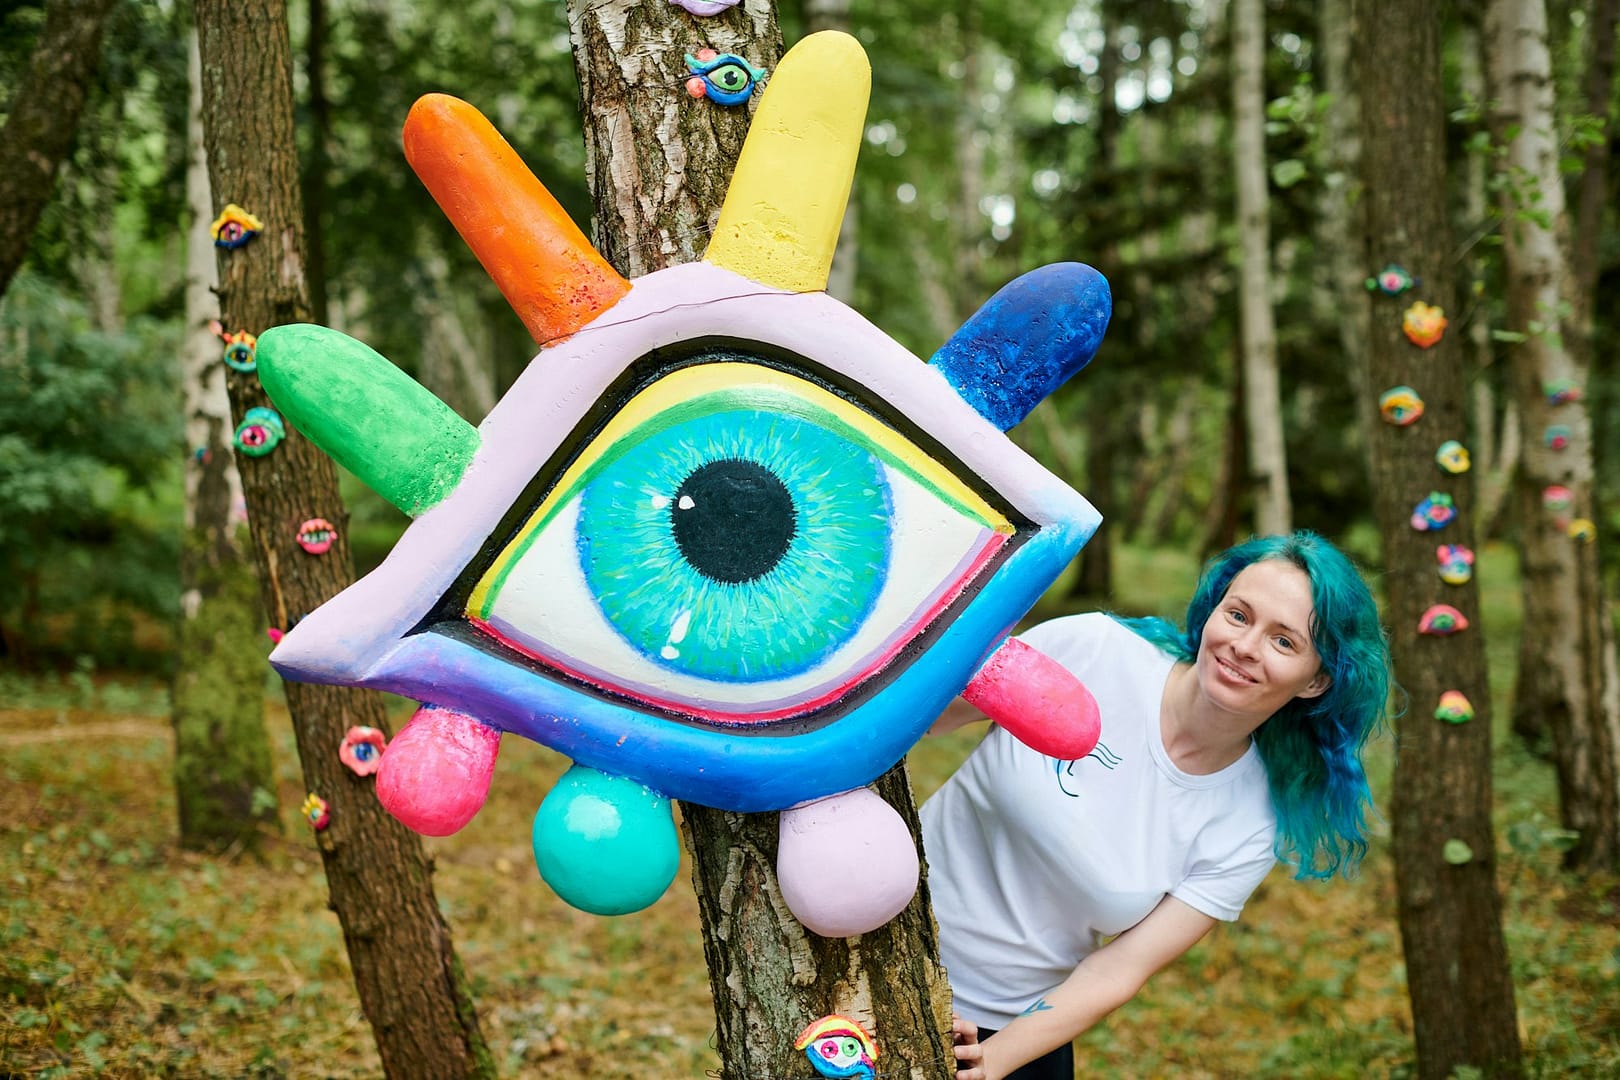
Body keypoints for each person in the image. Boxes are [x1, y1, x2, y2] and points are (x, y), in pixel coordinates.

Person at [920, 531, 1392, 1080]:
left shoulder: (1253, 822)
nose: (1244, 646)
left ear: (1316, 682)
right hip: (871, 938)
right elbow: (922, 718)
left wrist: (993, 1061)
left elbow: (1119, 968)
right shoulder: (1093, 649)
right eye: (1238, 615)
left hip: (1015, 1036)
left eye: (1283, 642)